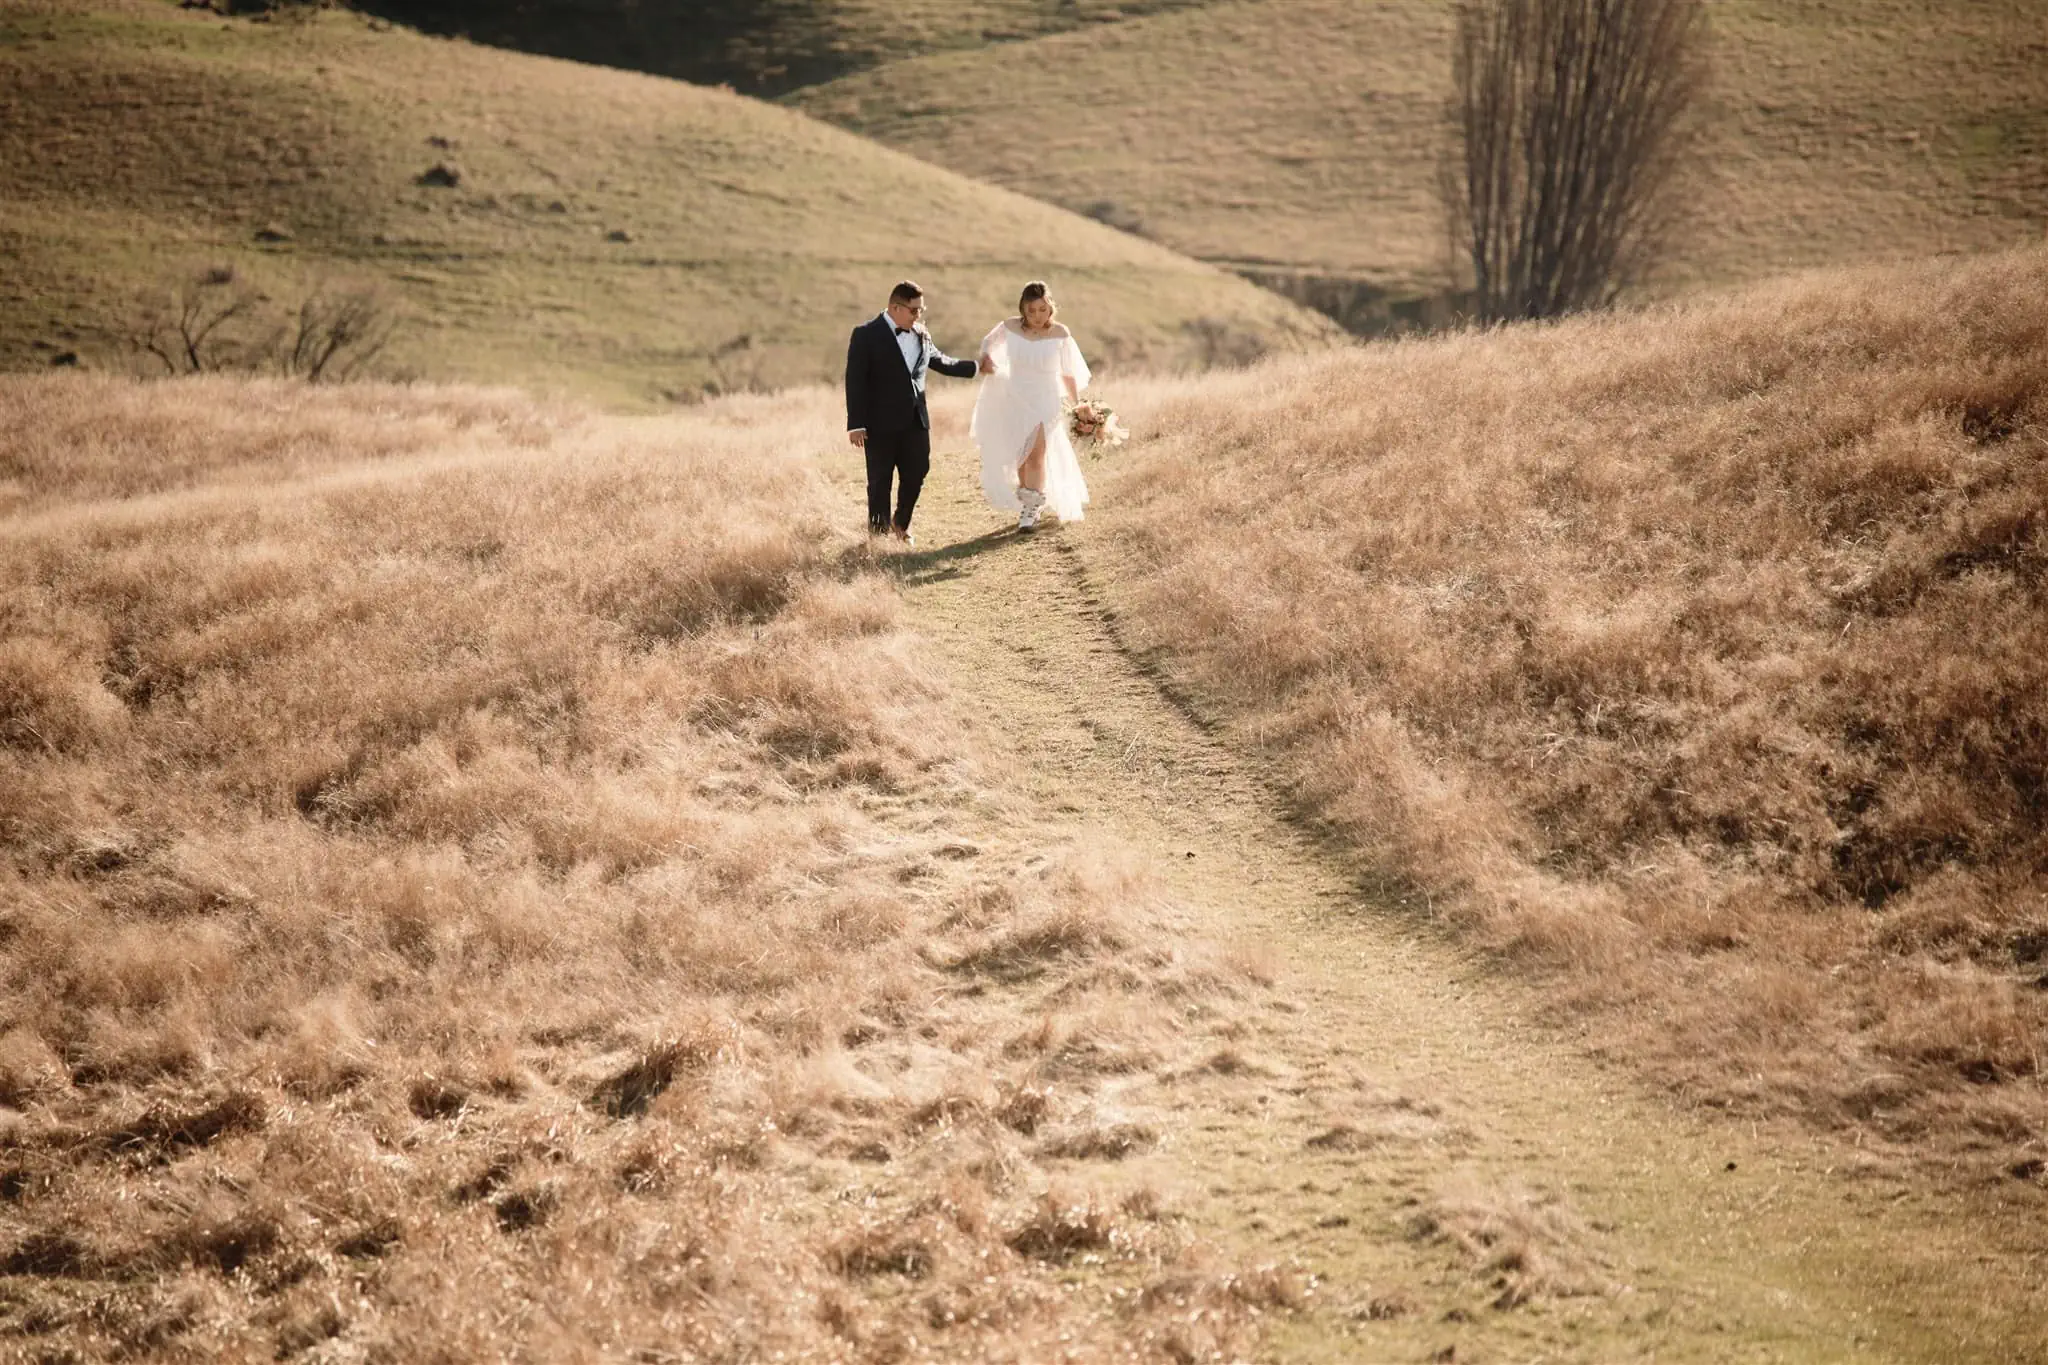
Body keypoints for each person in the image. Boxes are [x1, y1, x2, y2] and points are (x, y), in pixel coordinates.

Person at [844, 280, 982, 545]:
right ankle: (879, 536)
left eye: (921, 310)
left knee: (918, 470)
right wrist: (856, 423)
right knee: (879, 480)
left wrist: (975, 367)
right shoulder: (865, 335)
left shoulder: (921, 333)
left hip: (915, 420)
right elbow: (855, 380)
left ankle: (900, 522)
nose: (919, 315)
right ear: (895, 308)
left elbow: (941, 361)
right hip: (878, 424)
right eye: (914, 310)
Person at [971, 280, 1090, 532]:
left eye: (1042, 309)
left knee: (1036, 455)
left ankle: (1030, 510)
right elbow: (987, 344)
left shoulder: (1061, 333)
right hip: (1014, 396)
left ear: (1050, 308)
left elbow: (1068, 373)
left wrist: (1078, 404)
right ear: (1023, 309)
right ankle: (1031, 499)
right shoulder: (1009, 326)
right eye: (1031, 310)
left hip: (1045, 400)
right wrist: (988, 361)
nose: (1037, 316)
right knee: (1021, 456)